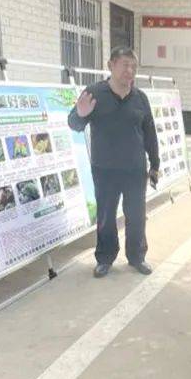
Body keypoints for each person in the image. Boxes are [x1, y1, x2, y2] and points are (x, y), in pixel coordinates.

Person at [68, 47, 159, 278]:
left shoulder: (140, 98)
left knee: (136, 216)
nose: (130, 71)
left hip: (134, 170)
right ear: (111, 65)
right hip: (105, 170)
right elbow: (75, 125)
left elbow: (150, 133)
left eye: (134, 66)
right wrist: (80, 114)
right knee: (106, 216)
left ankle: (137, 257)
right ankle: (105, 258)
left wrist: (154, 164)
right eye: (125, 65)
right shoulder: (94, 93)